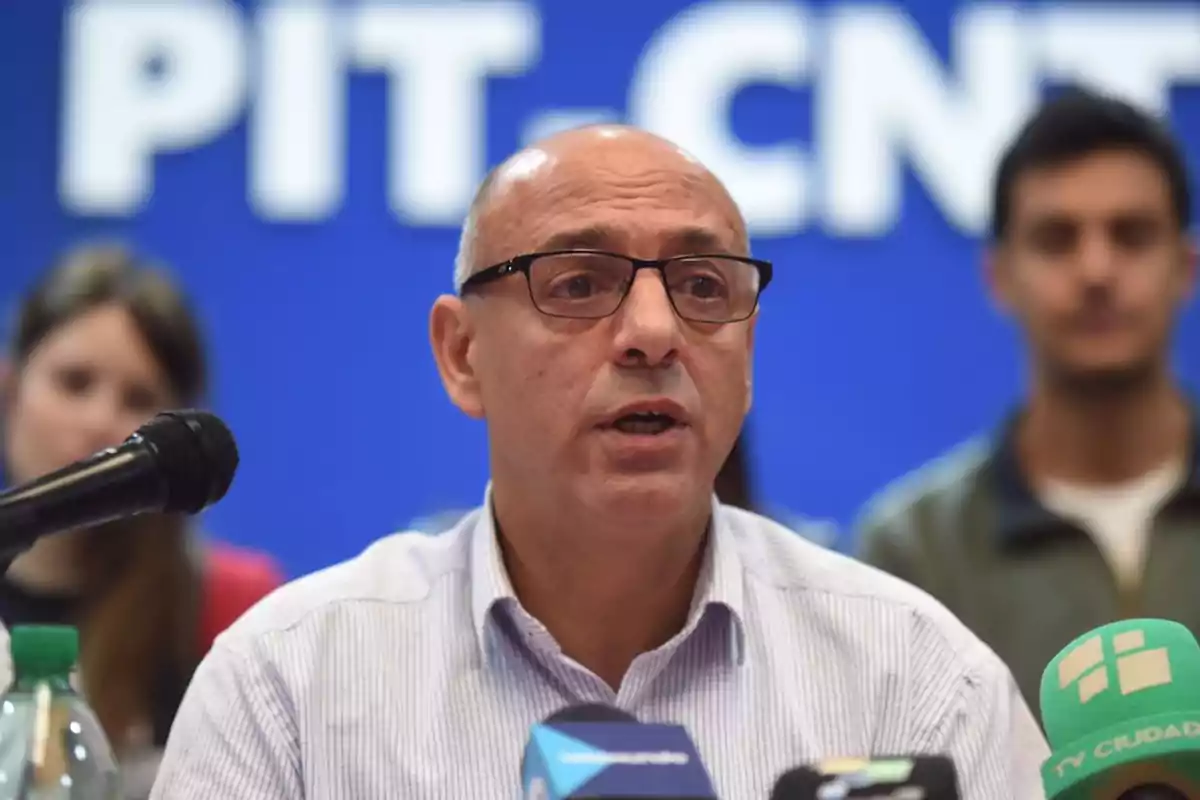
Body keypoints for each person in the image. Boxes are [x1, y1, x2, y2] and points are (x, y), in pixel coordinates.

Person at [151, 125, 1048, 799]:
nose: (654, 333)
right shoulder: (292, 687)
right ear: (462, 355)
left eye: (703, 288)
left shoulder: (916, 683)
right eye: (578, 282)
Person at [855, 89, 1197, 713]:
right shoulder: (913, 551)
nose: (1096, 269)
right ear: (1000, 277)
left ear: (1186, 267)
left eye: (1132, 235)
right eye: (1056, 238)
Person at [0, 244, 285, 798]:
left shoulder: (232, 611)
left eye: (138, 399)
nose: (100, 422)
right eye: (74, 382)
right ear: (10, 391)